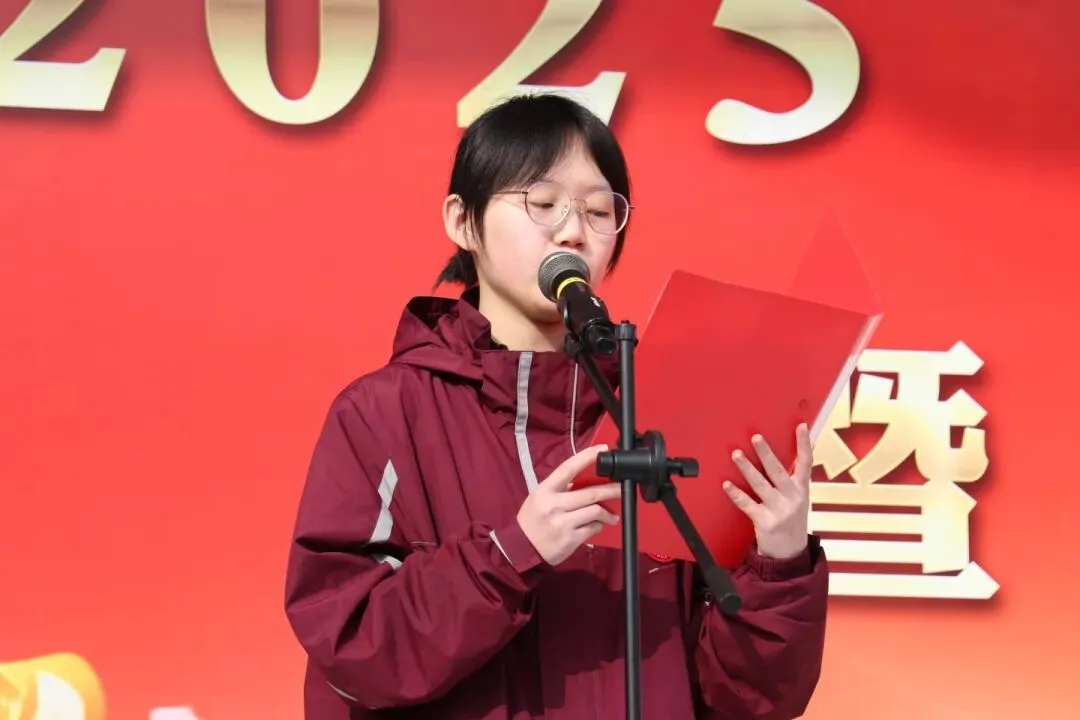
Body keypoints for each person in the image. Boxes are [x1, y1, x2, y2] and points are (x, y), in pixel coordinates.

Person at [284, 93, 829, 720]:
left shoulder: (656, 414)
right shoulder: (383, 414)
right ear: (462, 222)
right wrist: (511, 554)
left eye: (598, 211)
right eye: (542, 204)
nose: (573, 232)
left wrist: (778, 564)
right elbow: (353, 646)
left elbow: (751, 698)